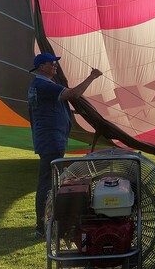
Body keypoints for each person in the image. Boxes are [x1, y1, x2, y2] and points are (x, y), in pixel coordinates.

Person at [28, 52, 102, 240]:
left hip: (50, 139)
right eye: (52, 64)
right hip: (51, 139)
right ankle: (43, 225)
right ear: (42, 67)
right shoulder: (43, 85)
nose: (55, 66)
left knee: (52, 181)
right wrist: (91, 77)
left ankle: (51, 221)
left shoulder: (41, 85)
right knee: (48, 183)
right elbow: (73, 94)